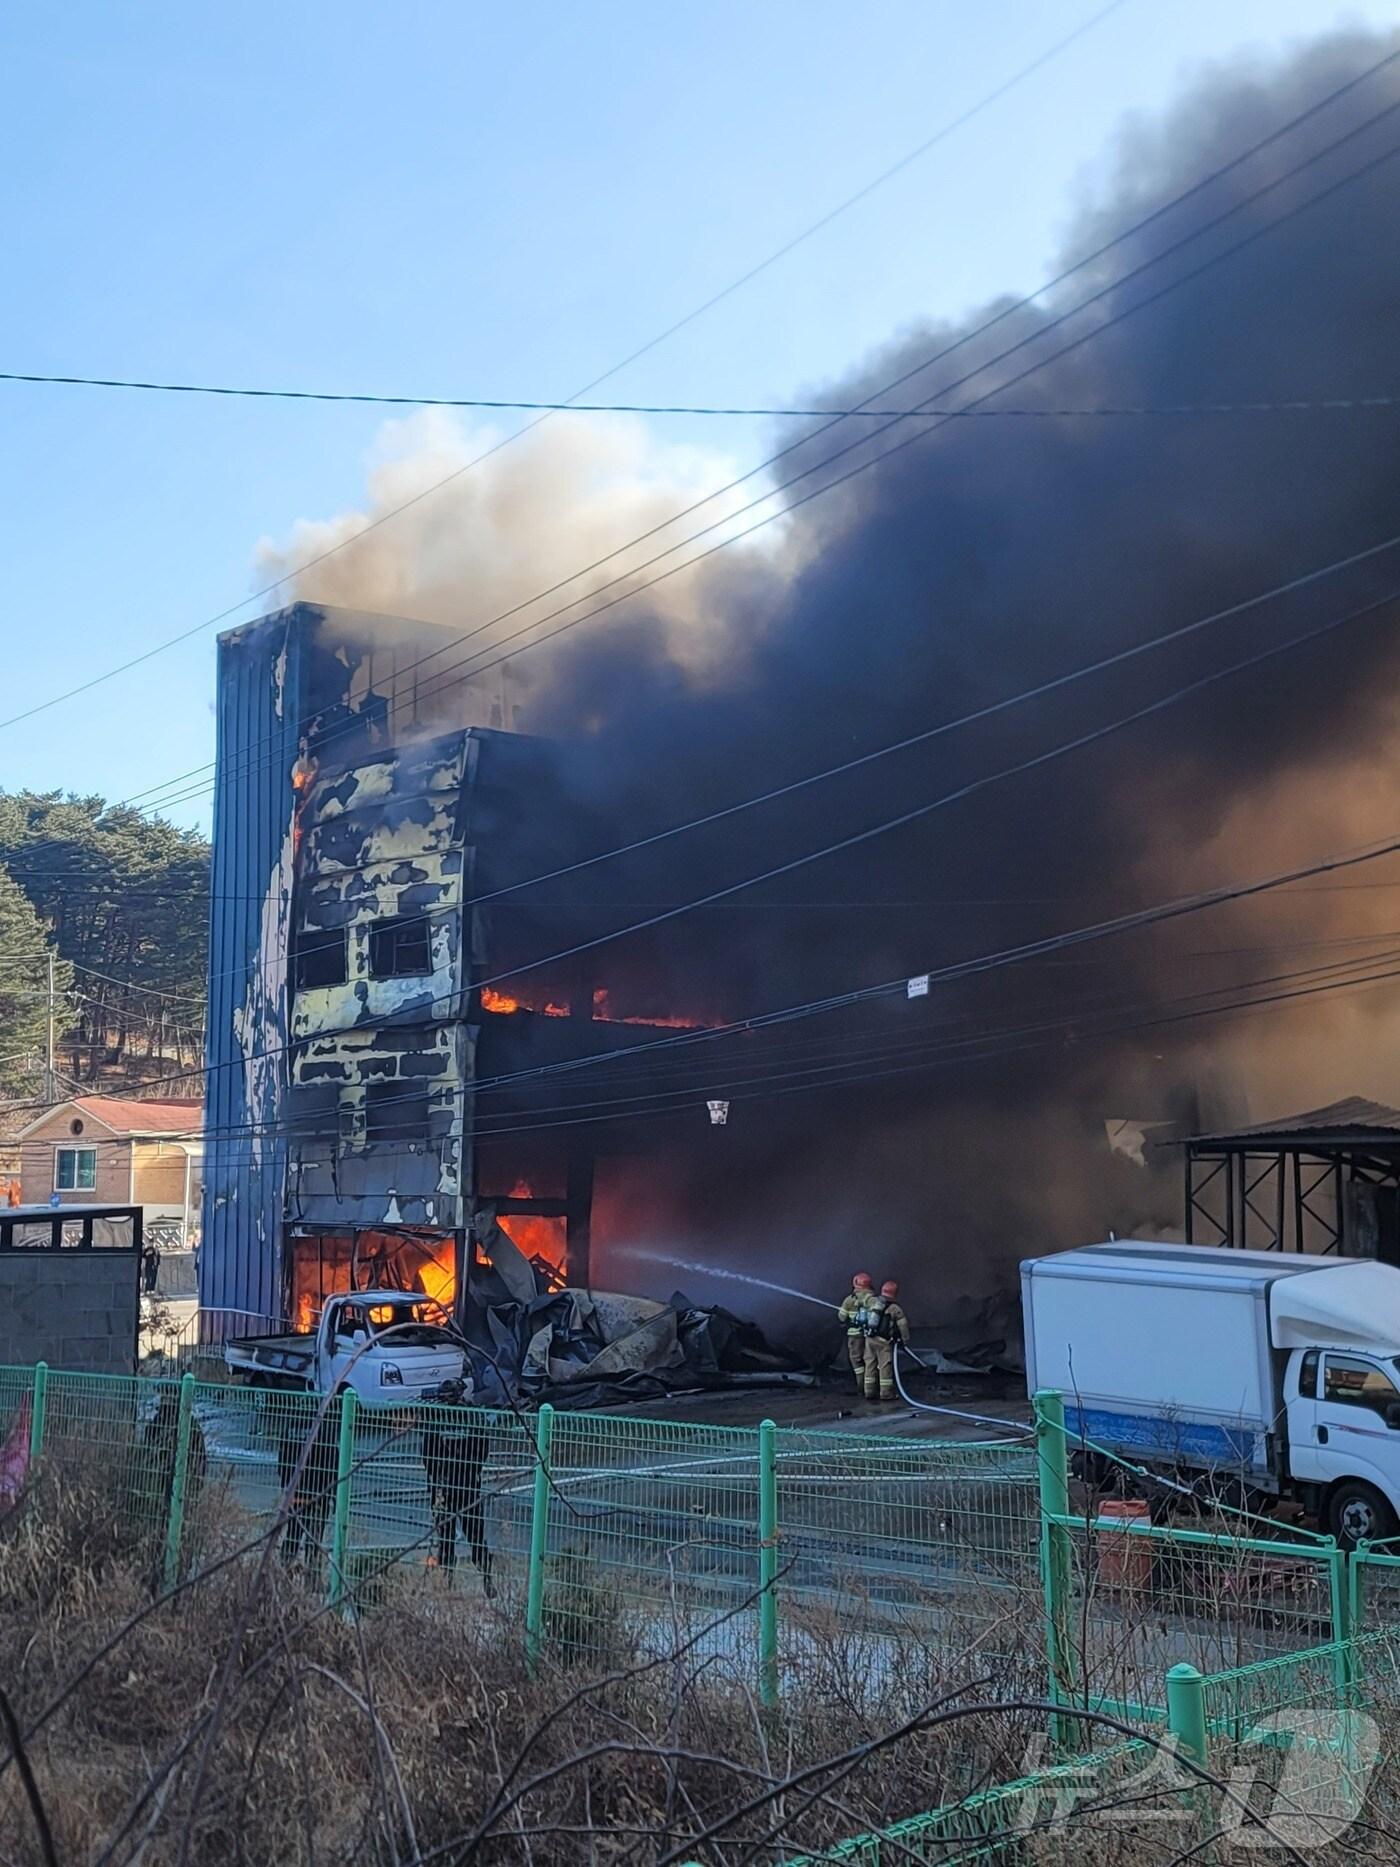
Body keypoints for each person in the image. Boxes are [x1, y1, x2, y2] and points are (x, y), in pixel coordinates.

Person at [862, 1280, 912, 1403]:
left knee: (870, 1364)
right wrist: (905, 1341)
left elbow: (863, 1303)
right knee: (885, 1366)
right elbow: (903, 1326)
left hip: (869, 1338)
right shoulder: (895, 1309)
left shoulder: (873, 1302)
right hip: (884, 1342)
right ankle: (886, 1393)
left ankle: (869, 1392)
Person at [837, 1273, 875, 1393]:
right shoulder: (873, 1299)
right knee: (870, 1359)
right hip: (870, 1335)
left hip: (855, 1336)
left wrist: (846, 1313)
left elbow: (841, 1317)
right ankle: (873, 1386)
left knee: (856, 1360)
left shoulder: (849, 1300)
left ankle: (861, 1386)